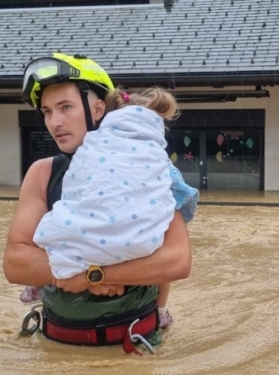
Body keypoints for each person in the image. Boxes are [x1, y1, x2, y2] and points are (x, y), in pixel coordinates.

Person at [3, 53, 192, 352]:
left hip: (134, 348)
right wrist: (87, 275)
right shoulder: (43, 173)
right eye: (47, 111)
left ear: (98, 108)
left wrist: (94, 275)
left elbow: (178, 260)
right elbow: (15, 264)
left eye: (66, 107)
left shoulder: (150, 167)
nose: (55, 122)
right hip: (57, 347)